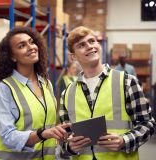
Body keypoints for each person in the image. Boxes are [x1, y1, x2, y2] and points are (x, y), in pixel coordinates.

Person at [59, 26, 156, 160]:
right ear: (73, 56)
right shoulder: (68, 93)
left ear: (99, 45)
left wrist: (124, 140)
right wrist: (69, 147)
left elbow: (148, 124)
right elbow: (64, 138)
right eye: (82, 45)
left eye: (92, 41)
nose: (89, 46)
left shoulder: (127, 82)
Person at [0, 27, 70, 160]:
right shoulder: (3, 88)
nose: (31, 47)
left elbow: (48, 126)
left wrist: (59, 131)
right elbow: (7, 136)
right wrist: (43, 134)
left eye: (31, 42)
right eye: (22, 45)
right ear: (12, 56)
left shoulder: (46, 84)